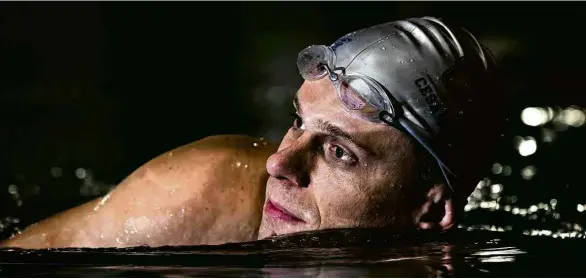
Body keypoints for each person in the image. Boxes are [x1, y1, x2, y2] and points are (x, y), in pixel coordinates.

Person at [0, 16, 507, 249]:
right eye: (297, 123)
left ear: (432, 210)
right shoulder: (195, 194)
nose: (279, 165)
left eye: (338, 152)